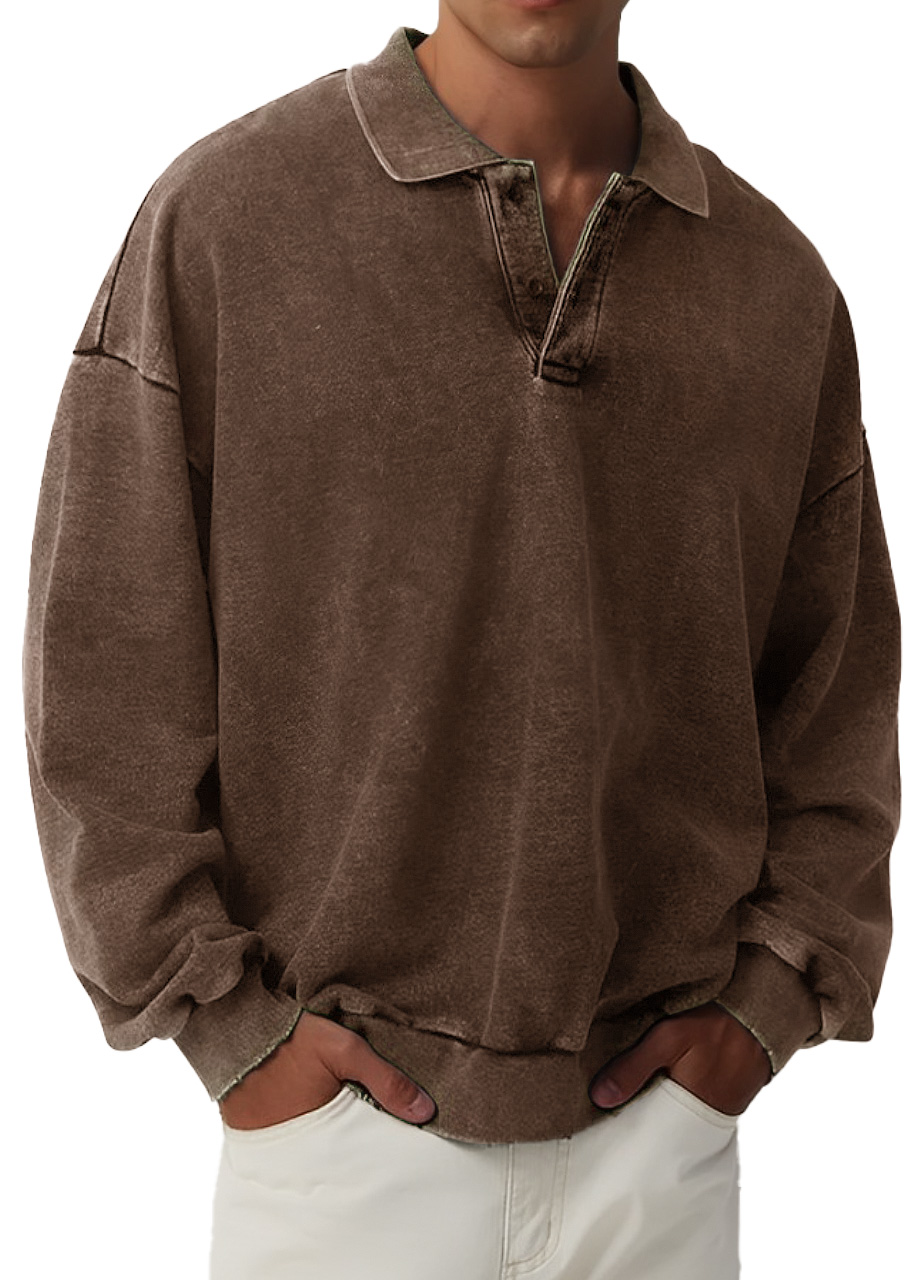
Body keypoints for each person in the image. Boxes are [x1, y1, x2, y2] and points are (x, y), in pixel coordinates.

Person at [22, 3, 901, 1278]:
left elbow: (835, 700)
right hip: (337, 1148)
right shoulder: (225, 223)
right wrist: (231, 1029)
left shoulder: (774, 287)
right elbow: (104, 670)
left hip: (657, 1153)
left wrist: (763, 1007)